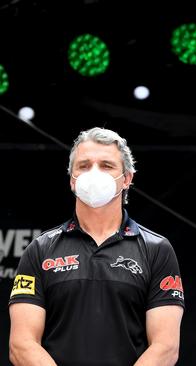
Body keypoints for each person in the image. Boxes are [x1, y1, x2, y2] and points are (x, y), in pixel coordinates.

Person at [8, 127, 184, 366]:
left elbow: (166, 347)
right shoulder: (40, 249)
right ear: (72, 179)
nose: (94, 173)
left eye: (106, 165)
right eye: (84, 165)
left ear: (127, 178)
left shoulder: (156, 249)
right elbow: (22, 345)